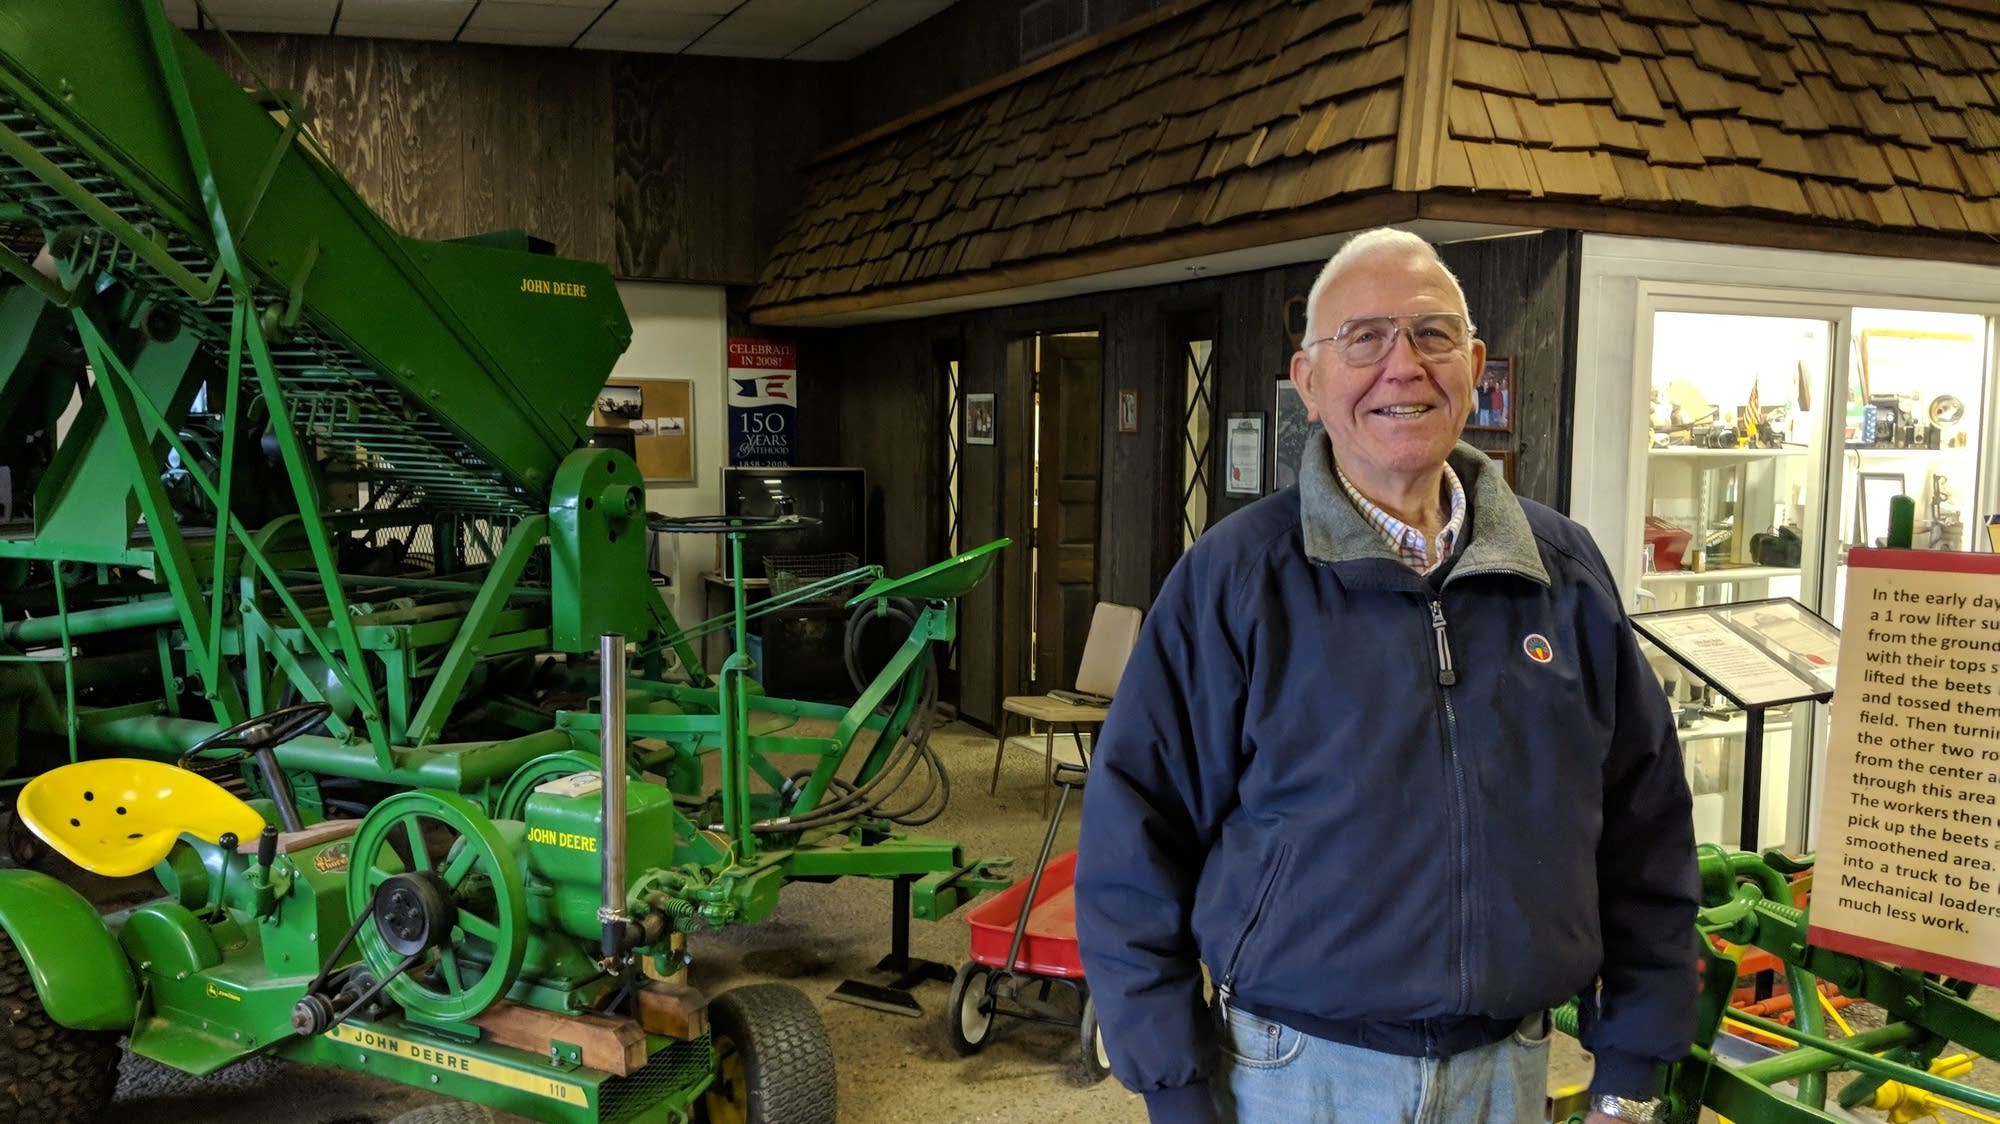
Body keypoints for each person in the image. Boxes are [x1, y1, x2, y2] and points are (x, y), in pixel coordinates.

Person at [1074, 228, 1697, 1124]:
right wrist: (1172, 1084)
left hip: (1510, 1068)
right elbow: (1135, 837)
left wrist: (1633, 1064)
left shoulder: (1563, 572)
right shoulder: (1234, 580)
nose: (1403, 365)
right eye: (1363, 338)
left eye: (1433, 334)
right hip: (1293, 1073)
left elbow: (1646, 827)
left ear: (1475, 365)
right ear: (1310, 381)